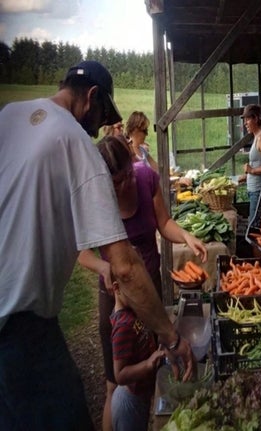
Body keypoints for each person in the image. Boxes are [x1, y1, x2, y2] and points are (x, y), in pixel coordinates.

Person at [0, 60, 196, 431]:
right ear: (91, 98)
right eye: (104, 114)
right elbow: (124, 266)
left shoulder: (9, 116)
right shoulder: (76, 142)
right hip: (21, 326)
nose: (103, 126)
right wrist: (171, 338)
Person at [78, 135, 207, 431]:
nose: (124, 184)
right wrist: (104, 266)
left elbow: (164, 223)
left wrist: (186, 236)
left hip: (149, 293)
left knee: (153, 366)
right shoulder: (95, 197)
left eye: (126, 175)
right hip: (117, 299)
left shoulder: (146, 177)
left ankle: (152, 418)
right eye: (116, 181)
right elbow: (83, 254)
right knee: (116, 380)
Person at [109, 275, 166, 431]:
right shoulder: (123, 327)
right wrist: (148, 364)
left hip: (141, 394)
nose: (138, 292)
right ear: (116, 288)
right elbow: (120, 375)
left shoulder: (133, 311)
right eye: (132, 287)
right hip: (129, 401)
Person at [238, 104, 261, 222]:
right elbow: (259, 163)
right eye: (244, 120)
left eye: (247, 119)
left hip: (258, 191)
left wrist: (252, 170)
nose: (245, 123)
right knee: (253, 225)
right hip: (253, 190)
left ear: (256, 119)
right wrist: (247, 176)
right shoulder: (256, 137)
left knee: (254, 228)